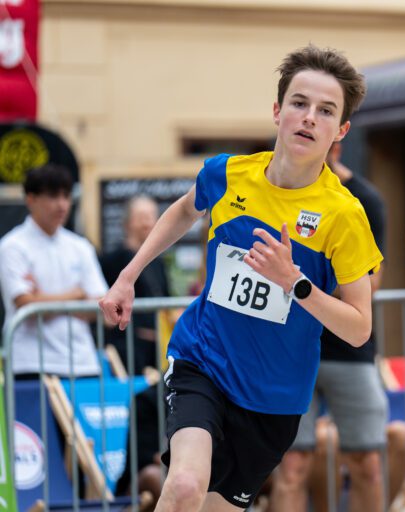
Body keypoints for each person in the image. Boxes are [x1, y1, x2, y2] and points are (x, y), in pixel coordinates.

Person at [98, 45, 382, 512]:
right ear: (277, 111)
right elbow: (183, 210)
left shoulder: (344, 216)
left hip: (272, 400)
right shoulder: (228, 174)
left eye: (326, 110)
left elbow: (359, 327)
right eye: (299, 103)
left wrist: (294, 282)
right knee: (184, 485)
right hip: (203, 361)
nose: (309, 118)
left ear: (341, 130)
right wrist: (128, 276)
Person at [270, 141, 405, 512]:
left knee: (367, 463)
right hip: (290, 347)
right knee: (292, 466)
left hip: (349, 347)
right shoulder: (278, 188)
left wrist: (298, 281)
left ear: (337, 144)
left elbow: (372, 281)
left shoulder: (364, 199)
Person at [0, 164, 108, 378]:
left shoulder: (80, 246)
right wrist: (77, 295)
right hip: (30, 364)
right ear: (31, 199)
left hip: (82, 363)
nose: (62, 205)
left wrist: (42, 300)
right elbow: (25, 305)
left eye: (66, 196)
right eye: (52, 196)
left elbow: (104, 309)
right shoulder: (12, 246)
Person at [100, 195, 171, 373]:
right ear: (127, 223)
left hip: (158, 346)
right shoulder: (112, 259)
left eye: (151, 217)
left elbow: (165, 297)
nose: (147, 223)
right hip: (127, 346)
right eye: (141, 217)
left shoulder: (158, 262)